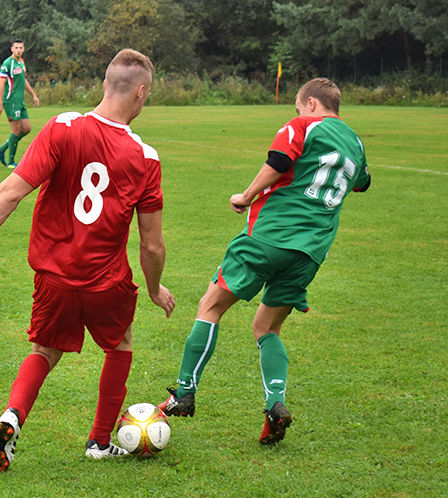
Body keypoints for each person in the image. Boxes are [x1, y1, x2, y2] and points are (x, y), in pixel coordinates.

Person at [0, 48, 174, 472]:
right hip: (106, 282)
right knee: (119, 345)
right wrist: (155, 289)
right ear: (142, 93)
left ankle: (12, 416)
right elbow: (152, 245)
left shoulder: (62, 127)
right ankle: (100, 442)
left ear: (105, 84)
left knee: (44, 349)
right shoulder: (146, 157)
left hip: (54, 277)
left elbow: (9, 193)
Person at [158, 78, 371, 445]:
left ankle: (183, 392)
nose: (297, 113)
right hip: (310, 251)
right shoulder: (355, 141)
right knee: (267, 328)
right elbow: (362, 182)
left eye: (298, 107)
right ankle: (276, 404)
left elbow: (279, 161)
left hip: (270, 236)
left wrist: (247, 194)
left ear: (310, 102)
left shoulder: (303, 125)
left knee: (210, 305)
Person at [0, 39, 39, 169]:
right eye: (16, 48)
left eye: (21, 48)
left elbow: (23, 81)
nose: (18, 50)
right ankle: (11, 162)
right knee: (16, 130)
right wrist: (0, 103)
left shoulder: (21, 62)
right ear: (12, 49)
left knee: (27, 129)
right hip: (11, 101)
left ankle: (1, 150)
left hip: (20, 101)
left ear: (23, 49)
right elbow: (1, 84)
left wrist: (33, 95)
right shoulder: (7, 64)